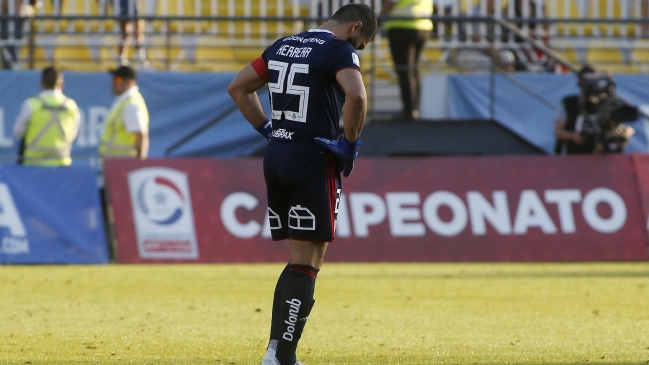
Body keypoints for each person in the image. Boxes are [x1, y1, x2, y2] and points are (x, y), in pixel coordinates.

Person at [227, 4, 377, 365]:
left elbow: (238, 88)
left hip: (277, 155)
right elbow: (356, 95)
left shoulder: (283, 44)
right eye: (361, 43)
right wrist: (350, 145)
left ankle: (278, 352)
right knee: (309, 260)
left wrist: (268, 129)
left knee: (297, 259)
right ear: (355, 27)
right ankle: (281, 357)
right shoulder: (337, 49)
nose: (356, 50)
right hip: (313, 156)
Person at [13, 65, 80, 166]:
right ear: (62, 85)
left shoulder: (31, 104)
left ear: (41, 83)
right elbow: (72, 135)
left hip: (33, 164)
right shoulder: (71, 106)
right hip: (61, 164)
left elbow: (18, 132)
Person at [380, 0, 432, 120]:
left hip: (402, 26)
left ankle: (409, 111)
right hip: (423, 25)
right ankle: (415, 109)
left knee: (405, 70)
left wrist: (377, 22)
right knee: (414, 70)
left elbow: (390, 2)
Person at [99, 65, 149, 159]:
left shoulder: (131, 104)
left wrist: (139, 166)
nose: (113, 83)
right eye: (113, 79)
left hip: (123, 165)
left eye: (117, 79)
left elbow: (141, 136)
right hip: (116, 164)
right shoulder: (124, 101)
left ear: (128, 83)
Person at [554, 65, 596, 155]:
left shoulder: (600, 105)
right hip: (572, 154)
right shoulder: (568, 103)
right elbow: (558, 132)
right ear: (580, 81)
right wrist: (572, 136)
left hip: (594, 155)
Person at [0, 0, 36, 69]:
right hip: (8, 24)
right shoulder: (4, 22)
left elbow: (35, 4)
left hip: (21, 24)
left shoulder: (27, 18)